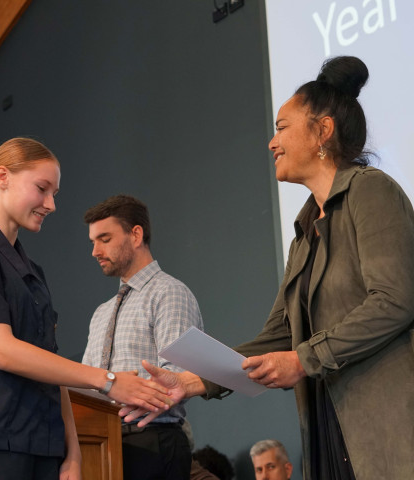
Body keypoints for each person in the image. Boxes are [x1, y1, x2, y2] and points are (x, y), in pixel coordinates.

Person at [119, 56, 414, 480]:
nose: (271, 142)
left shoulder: (372, 191)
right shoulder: (305, 229)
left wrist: (302, 359)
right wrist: (190, 381)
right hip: (328, 427)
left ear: (323, 131)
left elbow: (395, 301)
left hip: (384, 426)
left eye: (281, 127)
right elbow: (277, 337)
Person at [0, 138, 171, 480]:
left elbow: (50, 364)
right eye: (42, 189)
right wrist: (107, 381)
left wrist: (71, 452)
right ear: (3, 177)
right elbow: (3, 352)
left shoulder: (32, 270)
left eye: (54, 194)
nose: (51, 204)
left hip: (39, 446)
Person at [82, 194, 204, 480]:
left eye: (105, 238)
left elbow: (179, 376)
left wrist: (118, 390)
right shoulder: (101, 312)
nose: (95, 251)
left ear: (135, 235)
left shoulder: (170, 293)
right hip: (100, 443)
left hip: (152, 441)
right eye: (93, 242)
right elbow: (87, 382)